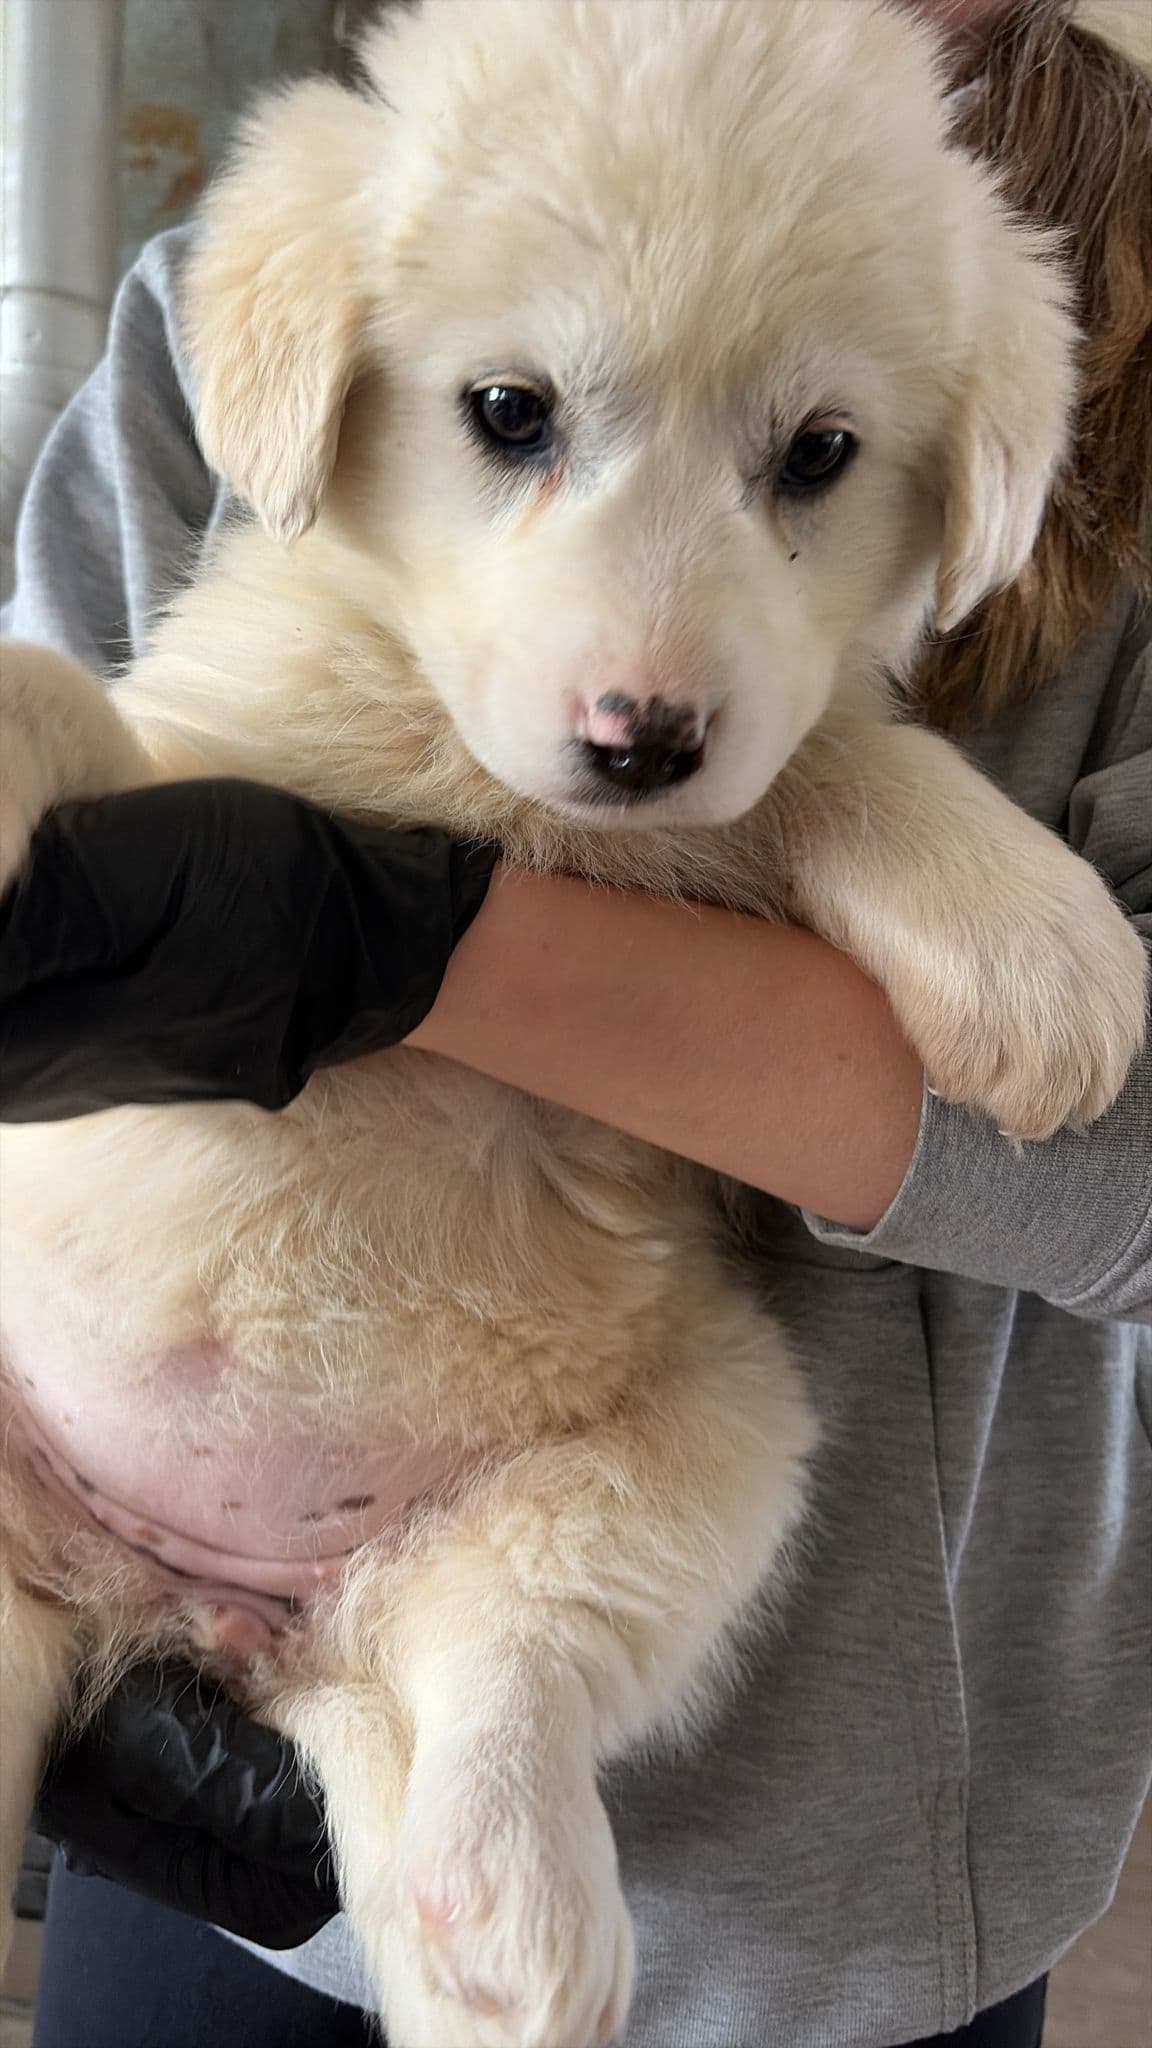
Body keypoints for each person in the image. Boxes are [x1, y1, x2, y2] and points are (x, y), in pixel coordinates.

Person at [2, 1, 1148, 2043]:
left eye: (814, 462)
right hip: (159, 1742)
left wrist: (411, 939)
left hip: (840, 1898)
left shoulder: (963, 305)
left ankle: (483, 1719)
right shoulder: (316, 255)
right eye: (516, 414)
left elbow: (1122, 1152)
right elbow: (70, 861)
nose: (643, 681)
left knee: (701, 1428)